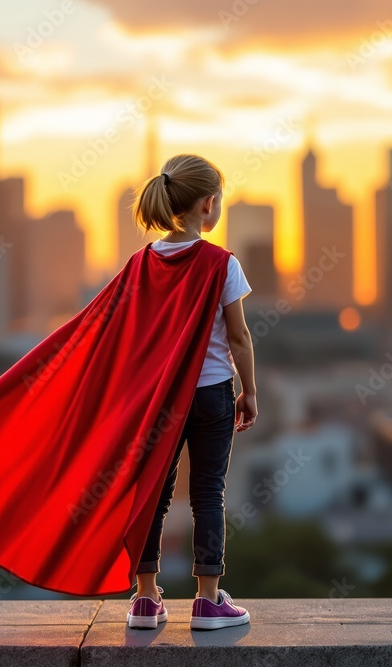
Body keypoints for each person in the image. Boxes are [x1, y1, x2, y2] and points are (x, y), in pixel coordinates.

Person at [125, 154, 258, 631]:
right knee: (207, 493)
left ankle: (145, 599)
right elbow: (239, 337)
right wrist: (250, 392)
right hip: (213, 395)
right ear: (208, 205)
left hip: (160, 400)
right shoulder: (222, 263)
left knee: (152, 494)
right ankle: (207, 601)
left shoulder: (142, 263)